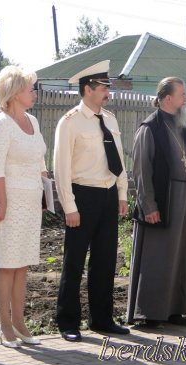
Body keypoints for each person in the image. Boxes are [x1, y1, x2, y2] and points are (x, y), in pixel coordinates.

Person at [53, 60, 130, 342]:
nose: (108, 93)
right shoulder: (70, 122)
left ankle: (102, 319)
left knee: (105, 260)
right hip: (82, 196)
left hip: (108, 194)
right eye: (103, 88)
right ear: (88, 89)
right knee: (74, 262)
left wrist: (121, 193)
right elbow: (61, 169)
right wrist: (69, 206)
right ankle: (68, 322)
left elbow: (119, 160)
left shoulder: (110, 119)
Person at [127, 77, 186, 327]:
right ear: (167, 98)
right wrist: (148, 206)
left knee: (181, 256)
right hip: (164, 201)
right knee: (158, 257)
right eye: (182, 94)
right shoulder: (149, 128)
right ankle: (149, 313)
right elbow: (141, 170)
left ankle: (175, 310)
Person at [0, 66, 47, 348]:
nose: (33, 92)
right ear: (13, 93)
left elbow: (40, 161)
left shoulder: (32, 120)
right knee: (6, 264)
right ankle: (5, 324)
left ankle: (20, 321)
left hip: (31, 202)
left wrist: (46, 195)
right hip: (6, 202)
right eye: (29, 88)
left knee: (22, 264)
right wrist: (3, 204)